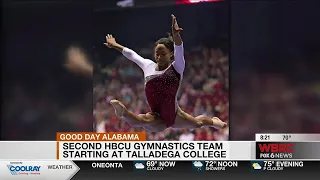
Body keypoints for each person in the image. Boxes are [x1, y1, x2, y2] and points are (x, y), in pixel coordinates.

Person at [104, 15, 227, 132]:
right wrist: (115, 45)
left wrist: (176, 35)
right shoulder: (148, 66)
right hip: (156, 116)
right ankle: (123, 113)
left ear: (171, 54)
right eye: (157, 54)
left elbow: (179, 48)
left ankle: (213, 121)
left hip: (174, 115)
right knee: (141, 120)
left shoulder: (177, 67)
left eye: (163, 54)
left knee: (197, 123)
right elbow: (132, 55)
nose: (159, 57)